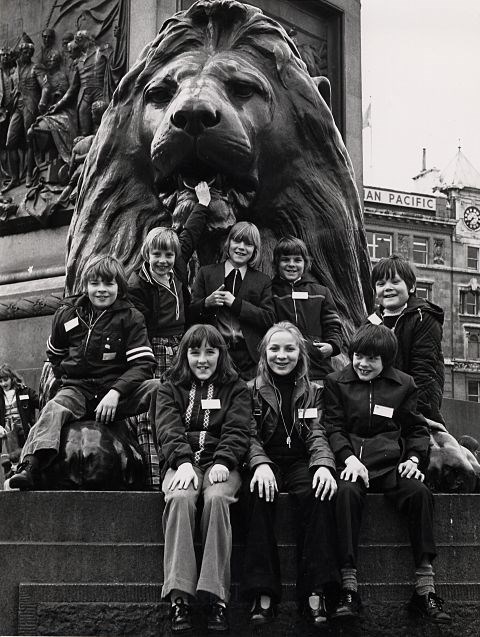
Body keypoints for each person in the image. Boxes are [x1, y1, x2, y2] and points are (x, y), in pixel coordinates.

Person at [324, 323, 451, 624]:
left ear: (387, 360)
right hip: (353, 462)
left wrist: (415, 458)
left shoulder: (404, 384)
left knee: (420, 494)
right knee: (344, 495)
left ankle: (425, 588)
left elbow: (415, 427)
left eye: (372, 359)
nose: (363, 364)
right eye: (358, 356)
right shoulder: (335, 382)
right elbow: (333, 427)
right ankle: (349, 587)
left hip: (392, 463)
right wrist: (347, 459)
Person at [8, 254, 157, 490]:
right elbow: (55, 353)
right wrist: (67, 378)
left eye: (109, 284)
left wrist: (116, 392)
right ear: (85, 285)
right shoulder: (67, 313)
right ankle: (31, 466)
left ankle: (161, 468)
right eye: (95, 283)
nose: (101, 290)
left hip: (116, 393)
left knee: (158, 389)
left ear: (119, 286)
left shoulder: (131, 317)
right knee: (53, 409)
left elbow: (143, 365)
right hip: (78, 389)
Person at [241, 321, 339, 627]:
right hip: (265, 459)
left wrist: (323, 464)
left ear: (300, 353)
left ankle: (315, 590)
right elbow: (248, 434)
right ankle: (262, 592)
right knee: (257, 496)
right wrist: (259, 463)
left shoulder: (312, 391)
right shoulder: (250, 390)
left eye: (289, 348)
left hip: (299, 461)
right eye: (274, 349)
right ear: (264, 353)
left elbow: (317, 433)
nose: (281, 356)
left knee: (318, 494)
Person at [155, 324, 251, 633]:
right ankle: (179, 596)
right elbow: (167, 428)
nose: (202, 359)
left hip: (221, 464)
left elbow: (238, 429)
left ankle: (215, 597)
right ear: (185, 355)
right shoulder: (170, 385)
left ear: (221, 354)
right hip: (182, 463)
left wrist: (224, 460)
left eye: (210, 352)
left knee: (217, 498)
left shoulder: (235, 387)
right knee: (181, 498)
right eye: (195, 352)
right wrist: (181, 462)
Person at [128, 182, 210, 378]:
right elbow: (139, 326)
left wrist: (203, 203)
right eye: (157, 255)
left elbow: (190, 232)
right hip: (157, 343)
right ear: (147, 255)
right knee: (160, 390)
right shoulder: (137, 284)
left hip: (182, 339)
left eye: (168, 255)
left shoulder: (177, 266)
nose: (163, 261)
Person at [190, 221, 275, 380]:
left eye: (248, 244)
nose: (241, 247)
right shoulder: (206, 273)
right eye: (237, 241)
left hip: (249, 359)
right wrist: (206, 303)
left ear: (255, 250)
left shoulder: (263, 280)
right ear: (228, 244)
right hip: (214, 355)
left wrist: (236, 304)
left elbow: (269, 319)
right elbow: (191, 313)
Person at [369, 254, 445, 424]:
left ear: (411, 287)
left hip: (414, 404)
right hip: (378, 402)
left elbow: (424, 372)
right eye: (381, 284)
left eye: (395, 282)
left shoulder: (423, 317)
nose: (387, 288)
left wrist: (416, 413)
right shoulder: (370, 321)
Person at [272, 236, 342, 380]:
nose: (292, 264)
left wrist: (332, 346)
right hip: (282, 369)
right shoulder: (269, 292)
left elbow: (333, 325)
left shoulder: (321, 292)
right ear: (277, 263)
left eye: (297, 260)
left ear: (306, 263)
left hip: (317, 369)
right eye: (285, 260)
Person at [2, 41, 49, 191]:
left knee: (30, 140)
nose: (27, 55)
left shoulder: (36, 67)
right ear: (20, 53)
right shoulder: (15, 71)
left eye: (30, 52)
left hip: (30, 106)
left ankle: (29, 174)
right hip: (17, 107)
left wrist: (42, 101)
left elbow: (46, 87)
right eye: (24, 52)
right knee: (10, 142)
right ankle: (15, 178)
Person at [0, 364, 38, 479]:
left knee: (25, 459)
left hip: (24, 432)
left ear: (12, 378)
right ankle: (10, 489)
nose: (3, 384)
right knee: (8, 462)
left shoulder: (24, 391)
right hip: (6, 435)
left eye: (5, 380)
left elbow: (42, 403)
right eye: (0, 381)